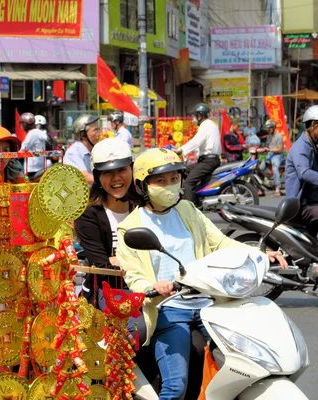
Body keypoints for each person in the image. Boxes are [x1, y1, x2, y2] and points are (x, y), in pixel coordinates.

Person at [116, 148, 287, 400]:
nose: (170, 186)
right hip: (169, 307)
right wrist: (153, 286)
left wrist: (259, 253)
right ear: (143, 185)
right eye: (161, 181)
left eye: (174, 179)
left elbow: (219, 242)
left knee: (246, 368)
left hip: (210, 304)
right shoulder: (130, 227)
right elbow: (133, 274)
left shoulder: (187, 210)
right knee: (176, 387)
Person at [75, 137, 136, 309]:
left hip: (157, 286)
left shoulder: (145, 205)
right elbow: (103, 269)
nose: (116, 178)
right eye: (108, 172)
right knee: (142, 328)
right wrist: (139, 263)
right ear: (97, 176)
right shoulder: (88, 214)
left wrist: (118, 260)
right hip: (111, 288)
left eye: (122, 170)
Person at [175, 103, 221, 204]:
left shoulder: (205, 126)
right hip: (209, 160)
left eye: (195, 116)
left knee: (188, 183)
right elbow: (202, 144)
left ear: (200, 116)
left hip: (208, 161)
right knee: (184, 171)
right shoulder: (212, 125)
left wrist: (181, 150)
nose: (194, 119)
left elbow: (196, 141)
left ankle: (190, 209)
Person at [285, 105, 318, 235]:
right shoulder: (301, 147)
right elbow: (304, 173)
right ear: (314, 124)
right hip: (300, 205)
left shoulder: (312, 145)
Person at [63, 114, 101, 185]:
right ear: (83, 134)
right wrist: (106, 181)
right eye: (95, 130)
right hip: (79, 195)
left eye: (99, 129)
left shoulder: (94, 150)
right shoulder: (74, 152)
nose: (99, 134)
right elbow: (84, 177)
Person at [259, 119, 284, 196]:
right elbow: (267, 147)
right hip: (270, 155)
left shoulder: (279, 136)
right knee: (260, 169)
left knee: (275, 168)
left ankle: (278, 188)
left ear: (273, 128)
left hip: (277, 155)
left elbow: (279, 149)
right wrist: (264, 149)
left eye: (268, 129)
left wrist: (271, 150)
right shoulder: (268, 137)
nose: (267, 130)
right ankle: (261, 188)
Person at [20, 115, 49, 180]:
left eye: (22, 124)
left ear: (25, 124)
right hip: (40, 165)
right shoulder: (39, 133)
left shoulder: (32, 133)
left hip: (32, 168)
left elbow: (23, 149)